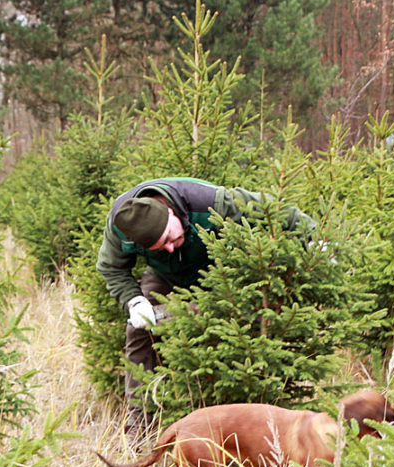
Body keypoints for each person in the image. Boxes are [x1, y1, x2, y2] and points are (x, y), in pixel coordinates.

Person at [96, 177, 315, 431]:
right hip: (164, 277)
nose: (168, 248)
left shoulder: (212, 202)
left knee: (244, 321)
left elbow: (275, 211)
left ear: (170, 212)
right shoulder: (122, 224)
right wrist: (134, 301)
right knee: (139, 330)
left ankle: (256, 401)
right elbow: (110, 267)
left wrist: (314, 239)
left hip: (220, 272)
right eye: (159, 247)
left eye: (169, 237)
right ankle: (139, 424)